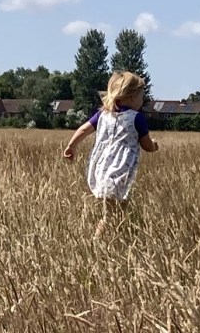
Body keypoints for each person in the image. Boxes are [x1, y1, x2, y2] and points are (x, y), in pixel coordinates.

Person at [63, 71, 159, 237]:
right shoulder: (137, 118)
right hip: (119, 171)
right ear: (131, 96)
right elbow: (146, 145)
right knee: (111, 215)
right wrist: (154, 146)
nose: (142, 100)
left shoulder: (103, 114)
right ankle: (96, 242)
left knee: (120, 210)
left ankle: (118, 238)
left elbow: (84, 129)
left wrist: (72, 146)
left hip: (101, 169)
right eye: (141, 96)